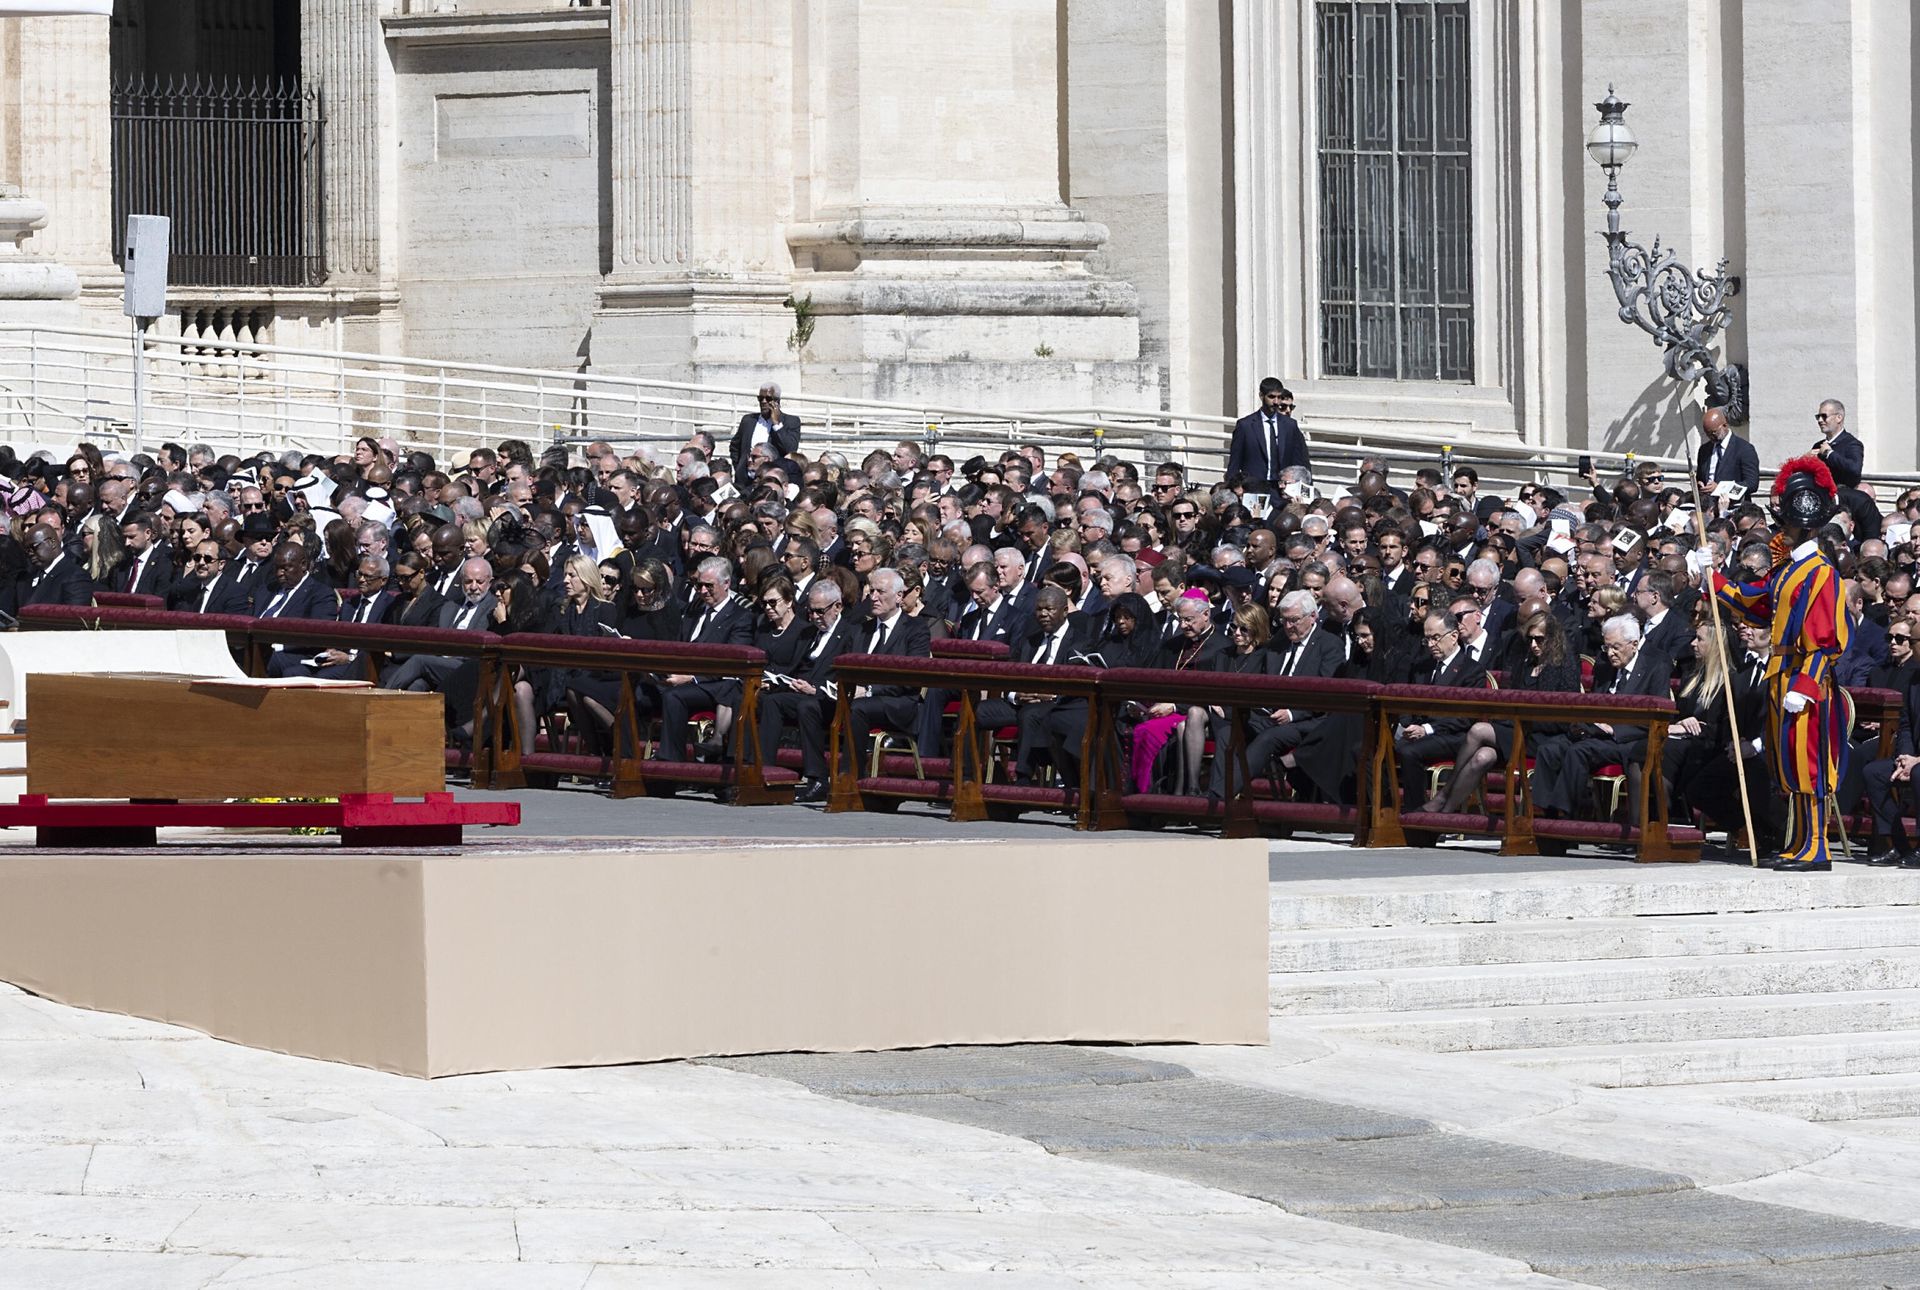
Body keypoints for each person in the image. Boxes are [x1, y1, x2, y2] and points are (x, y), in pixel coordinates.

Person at [1714, 454, 1851, 870]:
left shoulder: (1820, 572)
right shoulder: (1789, 570)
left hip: (1802, 679)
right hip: (1781, 674)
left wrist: (1807, 684)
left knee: (1808, 765)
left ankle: (1816, 847)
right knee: (1786, 765)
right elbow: (1757, 604)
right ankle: (1797, 841)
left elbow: (1826, 639)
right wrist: (1714, 577)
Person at [1226, 377, 1308, 492]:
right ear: (1261, 396)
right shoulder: (1245, 426)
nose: (1276, 402)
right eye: (1271, 397)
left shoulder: (1290, 426)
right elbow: (1234, 463)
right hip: (1253, 488)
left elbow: (1300, 462)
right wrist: (1232, 489)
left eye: (1279, 397)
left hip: (1283, 490)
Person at [730, 382, 802, 479]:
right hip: (745, 480)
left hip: (772, 479)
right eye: (760, 398)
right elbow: (735, 446)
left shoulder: (791, 421)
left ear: (777, 401)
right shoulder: (748, 420)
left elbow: (790, 449)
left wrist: (776, 424)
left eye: (768, 399)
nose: (763, 402)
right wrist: (739, 467)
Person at [1695, 406, 1760, 500]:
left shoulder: (1744, 449)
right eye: (1707, 434)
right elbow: (1700, 477)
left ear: (1725, 426)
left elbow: (1751, 484)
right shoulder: (1704, 450)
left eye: (1714, 432)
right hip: (1708, 506)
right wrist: (1700, 485)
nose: (1711, 437)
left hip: (1734, 507)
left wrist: (1721, 489)